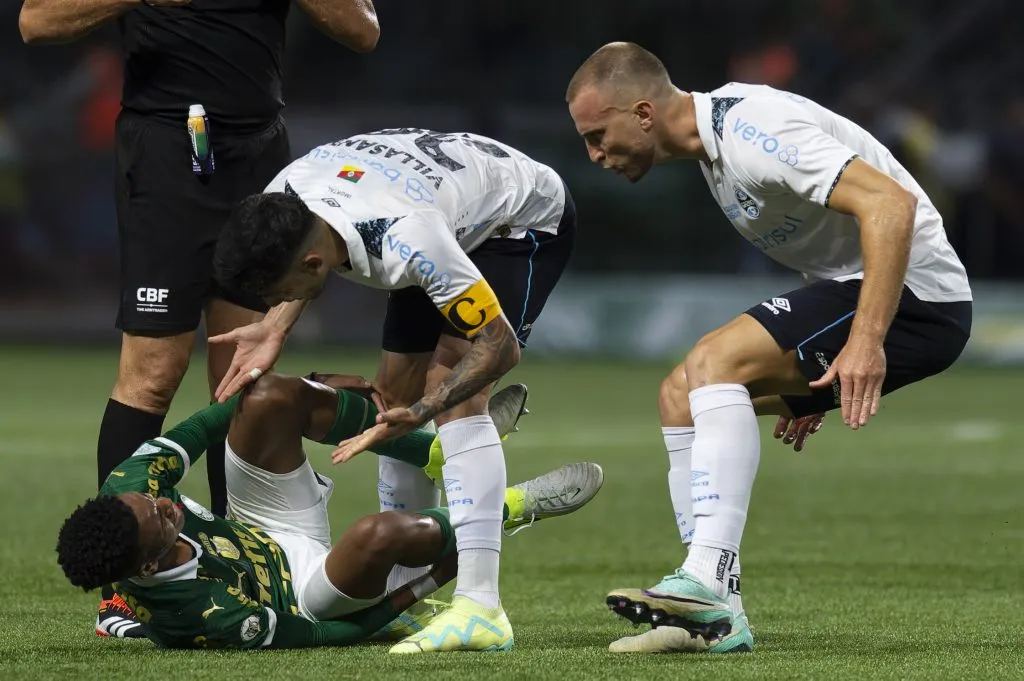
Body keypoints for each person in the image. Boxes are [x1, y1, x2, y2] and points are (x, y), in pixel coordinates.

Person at [565, 42, 972, 654]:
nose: (595, 155)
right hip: (863, 292)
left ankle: (705, 579)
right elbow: (830, 249)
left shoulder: (751, 129)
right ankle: (712, 615)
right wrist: (803, 354)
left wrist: (863, 342)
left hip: (919, 298)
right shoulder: (715, 157)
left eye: (598, 135)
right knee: (679, 395)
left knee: (712, 362)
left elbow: (891, 204)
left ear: (643, 113)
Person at [19, 0, 381, 636]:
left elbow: (362, 30)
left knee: (239, 371)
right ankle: (125, 589)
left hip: (259, 153)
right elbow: (36, 21)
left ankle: (240, 560)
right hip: (165, 153)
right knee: (153, 372)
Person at [209, 128, 577, 652]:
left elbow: (498, 347)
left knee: (449, 389)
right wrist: (275, 327)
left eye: (277, 294)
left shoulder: (408, 243)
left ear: (313, 264)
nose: (275, 301)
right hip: (426, 201)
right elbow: (309, 251)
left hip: (517, 220)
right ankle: (406, 596)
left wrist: (426, 410)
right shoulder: (284, 197)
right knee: (393, 394)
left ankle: (481, 607)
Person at [56, 371, 604, 649]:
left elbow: (205, 424)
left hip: (260, 524)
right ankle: (509, 505)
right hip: (302, 595)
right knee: (375, 533)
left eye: (155, 500)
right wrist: (424, 585)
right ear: (147, 567)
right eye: (161, 517)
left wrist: (308, 391)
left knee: (269, 397)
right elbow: (326, 638)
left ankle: (439, 452)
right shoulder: (201, 615)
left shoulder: (128, 488)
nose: (162, 503)